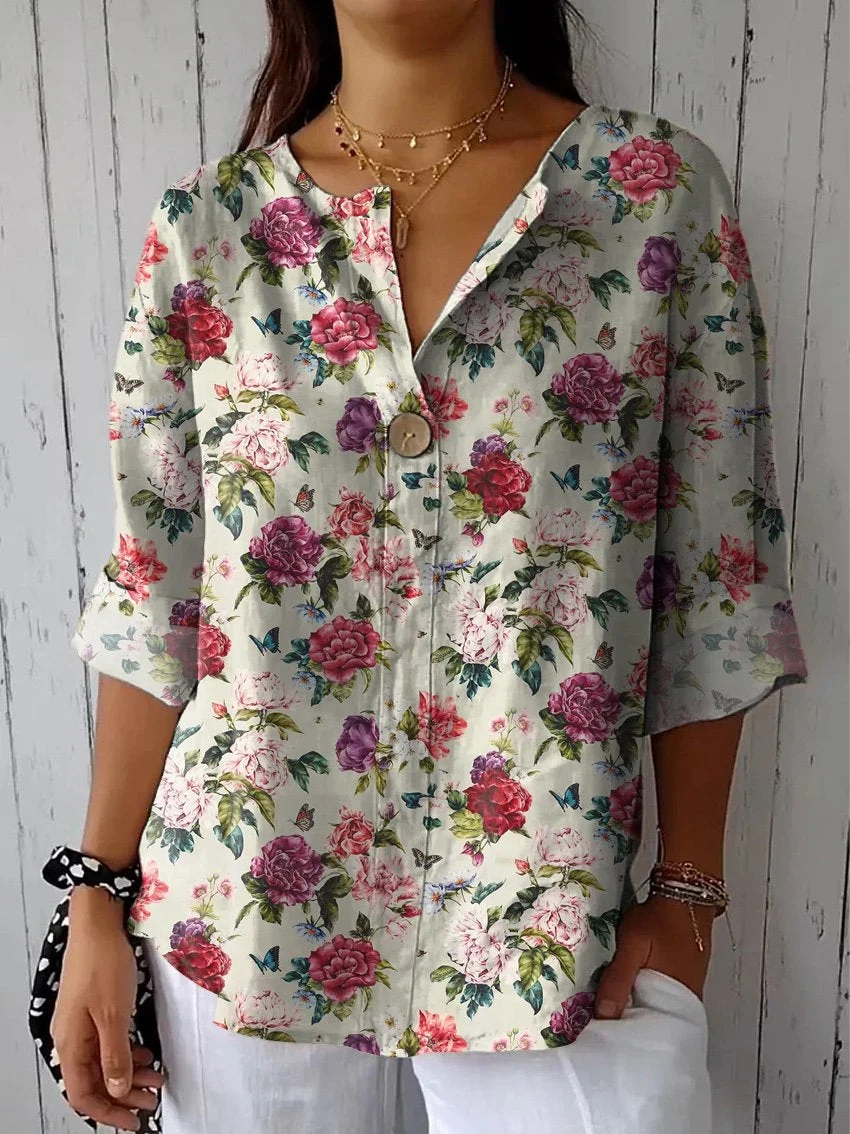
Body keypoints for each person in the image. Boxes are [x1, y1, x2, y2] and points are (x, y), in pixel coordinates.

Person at [47, 2, 809, 1132]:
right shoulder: (212, 230)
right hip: (241, 914)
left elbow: (717, 579)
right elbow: (153, 596)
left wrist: (688, 894)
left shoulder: (651, 197)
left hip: (558, 927)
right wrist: (98, 901)